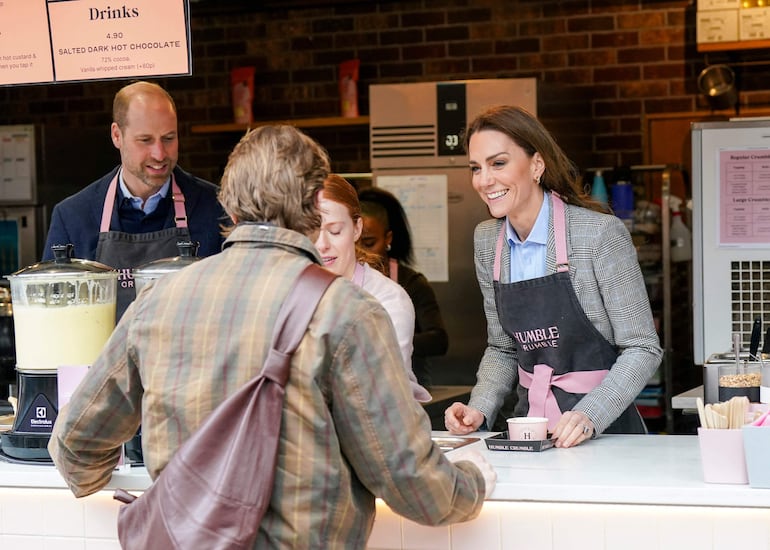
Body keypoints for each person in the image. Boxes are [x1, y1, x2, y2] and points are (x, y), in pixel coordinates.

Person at [48, 125, 495, 548]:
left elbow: (74, 447)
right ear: (313, 207)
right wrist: (473, 480)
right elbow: (409, 482)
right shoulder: (345, 311)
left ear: (232, 207)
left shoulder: (158, 300)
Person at [444, 105, 663, 448]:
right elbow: (503, 348)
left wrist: (590, 414)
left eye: (498, 163)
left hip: (605, 432)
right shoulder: (488, 241)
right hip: (529, 430)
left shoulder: (598, 235)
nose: (484, 180)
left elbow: (642, 348)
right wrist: (479, 408)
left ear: (536, 164)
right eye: (476, 168)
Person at [42, 80, 226, 319]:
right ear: (117, 135)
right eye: (145, 140)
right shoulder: (72, 217)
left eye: (169, 138)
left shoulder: (216, 207)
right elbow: (53, 316)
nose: (160, 154)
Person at [314, 174, 432, 402]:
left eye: (335, 231)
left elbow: (384, 391)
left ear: (357, 228)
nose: (322, 244)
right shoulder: (292, 291)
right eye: (312, 230)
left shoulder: (388, 299)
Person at [358, 186, 449, 389]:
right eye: (356, 242)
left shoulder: (411, 283)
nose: (362, 251)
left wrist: (389, 339)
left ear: (388, 238)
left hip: (408, 387)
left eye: (370, 242)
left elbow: (439, 340)